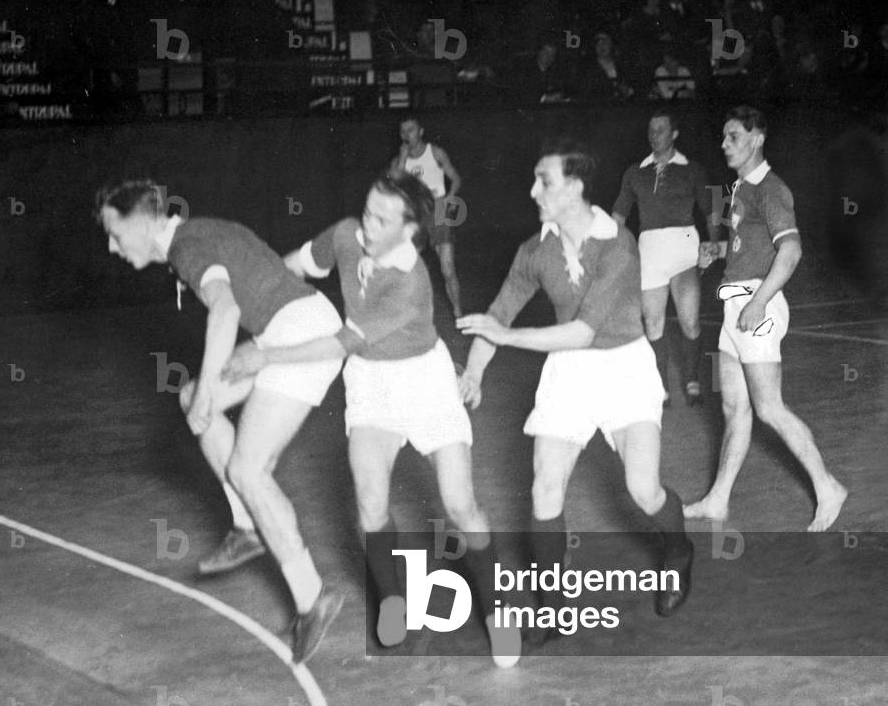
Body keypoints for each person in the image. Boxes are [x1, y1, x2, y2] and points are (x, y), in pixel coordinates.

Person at [223, 170, 522, 668]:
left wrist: (263, 355)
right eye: (367, 210)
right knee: (369, 502)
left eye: (381, 220)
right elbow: (291, 266)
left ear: (410, 231)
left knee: (460, 503)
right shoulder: (345, 234)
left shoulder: (409, 282)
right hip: (371, 383)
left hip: (424, 382)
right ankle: (393, 598)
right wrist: (245, 291)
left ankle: (498, 609)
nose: (367, 224)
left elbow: (339, 342)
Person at [96, 180, 345, 663]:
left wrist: (212, 387)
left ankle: (313, 597)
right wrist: (205, 391)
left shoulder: (187, 245)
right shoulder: (194, 236)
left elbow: (227, 311)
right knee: (194, 400)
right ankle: (247, 525)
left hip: (301, 334)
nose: (111, 244)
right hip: (286, 326)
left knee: (248, 468)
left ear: (141, 221)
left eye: (113, 231)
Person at [456, 137, 694, 633]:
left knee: (643, 489)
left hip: (623, 369)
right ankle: (551, 603)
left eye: (545, 181)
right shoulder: (535, 250)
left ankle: (678, 551)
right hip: (568, 372)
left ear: (576, 186)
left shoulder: (618, 244)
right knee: (545, 487)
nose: (533, 190)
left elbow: (583, 330)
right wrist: (474, 371)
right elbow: (498, 314)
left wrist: (508, 337)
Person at [685, 107, 848, 531]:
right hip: (734, 307)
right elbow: (748, 247)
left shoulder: (771, 189)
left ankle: (828, 486)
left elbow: (791, 251)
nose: (724, 145)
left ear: (758, 139)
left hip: (757, 307)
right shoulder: (740, 187)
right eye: (723, 136)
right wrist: (717, 253)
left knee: (769, 407)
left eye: (734, 137)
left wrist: (759, 302)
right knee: (733, 407)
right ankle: (718, 499)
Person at [612, 110, 714, 406]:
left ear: (674, 134)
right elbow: (618, 215)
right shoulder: (635, 172)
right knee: (653, 323)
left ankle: (692, 379)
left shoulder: (692, 169)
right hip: (650, 252)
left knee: (689, 322)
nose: (654, 135)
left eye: (660, 129)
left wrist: (713, 242)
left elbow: (711, 210)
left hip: (684, 249)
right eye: (651, 130)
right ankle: (661, 386)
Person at [392, 115, 465, 318]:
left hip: (439, 211)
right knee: (406, 267)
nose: (408, 135)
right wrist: (403, 159)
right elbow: (394, 186)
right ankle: (407, 315)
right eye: (403, 131)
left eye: (411, 130)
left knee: (447, 269)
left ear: (421, 131)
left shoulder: (435, 152)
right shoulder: (399, 160)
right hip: (415, 215)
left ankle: (458, 313)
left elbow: (456, 178)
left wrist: (450, 198)